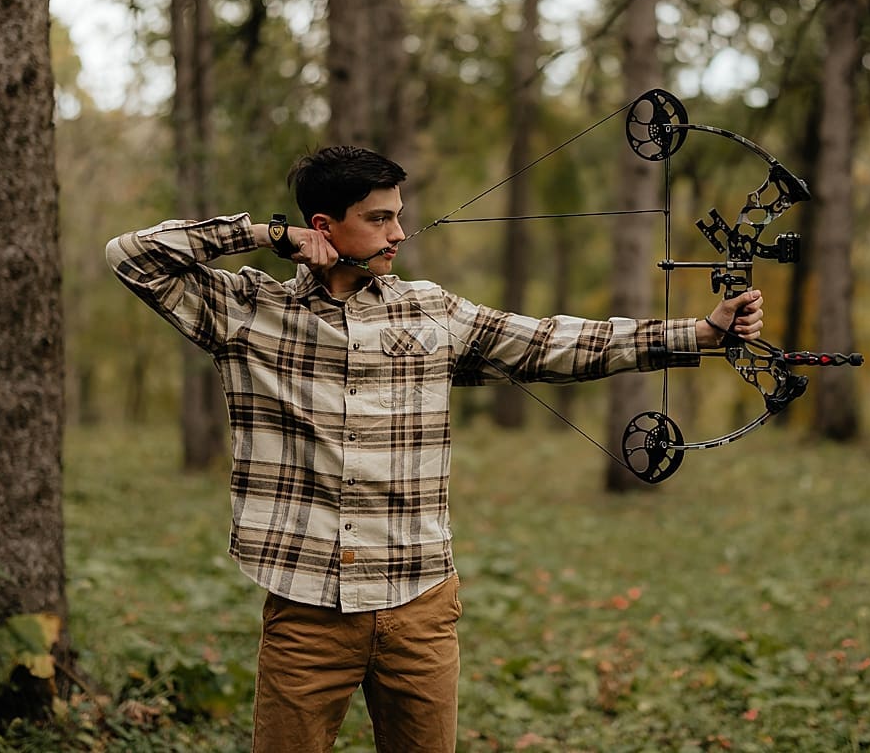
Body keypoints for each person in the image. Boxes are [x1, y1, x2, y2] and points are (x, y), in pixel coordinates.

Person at [104, 145, 764, 753]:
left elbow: (550, 342)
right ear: (324, 226)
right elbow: (130, 255)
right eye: (380, 218)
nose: (397, 233)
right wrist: (268, 235)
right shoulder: (250, 311)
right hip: (306, 611)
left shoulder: (431, 311)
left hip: (419, 608)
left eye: (399, 217)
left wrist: (701, 333)